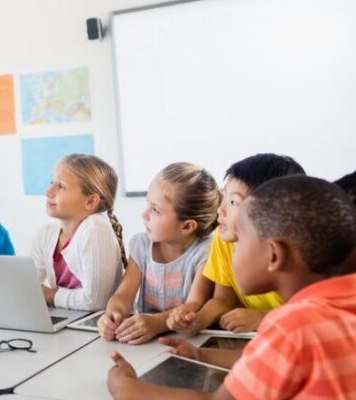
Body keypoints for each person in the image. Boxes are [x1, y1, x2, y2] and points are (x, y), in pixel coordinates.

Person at [107, 175, 356, 400]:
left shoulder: (294, 325)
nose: (231, 249)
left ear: (273, 255)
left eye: (241, 239)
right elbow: (265, 356)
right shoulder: (342, 303)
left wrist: (127, 389)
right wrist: (201, 355)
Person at [167, 154, 305, 334]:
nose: (220, 209)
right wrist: (199, 320)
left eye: (234, 202)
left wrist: (264, 317)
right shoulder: (223, 239)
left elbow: (313, 310)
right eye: (224, 196)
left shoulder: (297, 251)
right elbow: (223, 300)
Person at [98, 163, 220, 344]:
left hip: (187, 342)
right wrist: (112, 315)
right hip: (146, 341)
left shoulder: (204, 252)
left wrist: (156, 323)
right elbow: (123, 295)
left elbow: (194, 306)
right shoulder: (141, 245)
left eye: (155, 210)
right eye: (148, 204)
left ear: (187, 226)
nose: (144, 214)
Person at [31, 154, 124, 311]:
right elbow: (30, 284)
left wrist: (50, 296)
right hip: (68, 317)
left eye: (61, 186)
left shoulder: (95, 229)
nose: (48, 192)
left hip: (98, 325)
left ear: (90, 201)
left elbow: (96, 301)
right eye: (52, 183)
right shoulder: (46, 233)